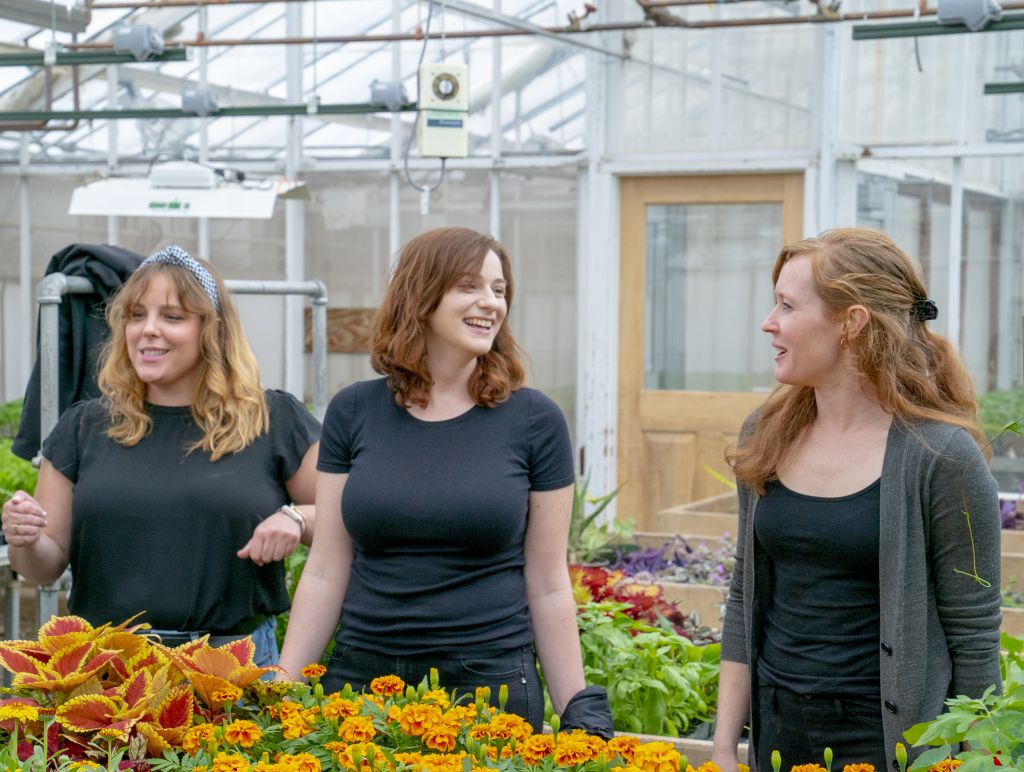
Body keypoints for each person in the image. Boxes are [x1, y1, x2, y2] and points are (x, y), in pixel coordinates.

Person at [278, 226, 612, 737]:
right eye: (469, 286)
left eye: (499, 290)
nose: (491, 303)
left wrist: (577, 709)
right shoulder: (353, 410)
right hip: (362, 681)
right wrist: (282, 687)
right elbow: (325, 567)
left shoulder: (534, 420)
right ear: (421, 295)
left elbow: (547, 583)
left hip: (489, 685)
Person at [711, 228, 1003, 771]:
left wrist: (980, 762)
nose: (768, 322)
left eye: (786, 305)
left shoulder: (942, 457)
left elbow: (975, 636)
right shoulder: (766, 434)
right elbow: (743, 593)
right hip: (778, 737)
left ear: (852, 323)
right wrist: (726, 746)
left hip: (888, 743)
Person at [1, 245, 320, 665]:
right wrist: (25, 539)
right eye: (136, 315)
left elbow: (344, 517)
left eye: (172, 317)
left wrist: (296, 518)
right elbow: (44, 565)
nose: (148, 330)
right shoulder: (84, 426)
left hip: (231, 668)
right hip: (109, 669)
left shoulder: (272, 419)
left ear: (213, 329)